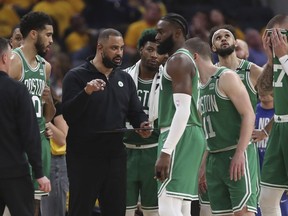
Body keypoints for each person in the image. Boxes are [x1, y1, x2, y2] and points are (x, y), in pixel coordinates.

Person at [62, 28, 151, 216]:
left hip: (115, 156)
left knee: (116, 211)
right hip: (84, 157)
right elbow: (69, 115)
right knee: (80, 210)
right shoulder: (76, 76)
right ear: (100, 47)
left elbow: (135, 112)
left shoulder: (125, 79)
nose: (119, 53)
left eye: (121, 48)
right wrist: (86, 92)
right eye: (114, 48)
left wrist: (142, 123)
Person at [186, 37, 258, 216]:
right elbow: (206, 131)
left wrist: (240, 153)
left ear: (194, 57)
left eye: (182, 58)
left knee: (243, 213)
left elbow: (248, 113)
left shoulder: (226, 76)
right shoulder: (198, 86)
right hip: (214, 159)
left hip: (236, 153)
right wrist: (203, 165)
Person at [155, 13, 206, 216]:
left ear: (177, 33)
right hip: (190, 133)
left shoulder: (178, 61)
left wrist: (166, 151)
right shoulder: (183, 59)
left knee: (167, 204)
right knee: (182, 205)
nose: (156, 37)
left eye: (161, 32)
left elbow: (183, 110)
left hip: (179, 134)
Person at [8, 11, 55, 215]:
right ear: (34, 34)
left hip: (38, 142)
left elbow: (48, 114)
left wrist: (49, 101)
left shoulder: (46, 67)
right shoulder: (13, 61)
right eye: (49, 35)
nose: (51, 41)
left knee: (34, 206)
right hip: (16, 144)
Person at [0, 37, 51, 216]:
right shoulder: (18, 90)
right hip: (14, 170)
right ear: (5, 58)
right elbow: (30, 134)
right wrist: (39, 172)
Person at [123, 28, 164, 216]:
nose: (154, 55)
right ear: (140, 50)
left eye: (159, 51)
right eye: (150, 49)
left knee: (153, 212)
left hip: (154, 151)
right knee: (124, 210)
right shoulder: (122, 78)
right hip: (125, 151)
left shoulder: (169, 81)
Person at [255, 14, 288, 216]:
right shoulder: (279, 57)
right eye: (273, 35)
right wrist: (271, 58)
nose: (277, 39)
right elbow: (264, 88)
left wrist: (283, 56)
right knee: (266, 197)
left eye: (281, 33)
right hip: (280, 126)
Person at [208, 24, 263, 111]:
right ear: (213, 48)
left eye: (227, 36)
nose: (223, 39)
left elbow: (276, 99)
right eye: (218, 38)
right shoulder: (209, 74)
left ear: (235, 42)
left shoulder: (252, 70)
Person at [41, 92, 69, 216]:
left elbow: (62, 138)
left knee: (53, 210)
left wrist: (44, 120)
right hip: (33, 158)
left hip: (54, 160)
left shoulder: (58, 106)